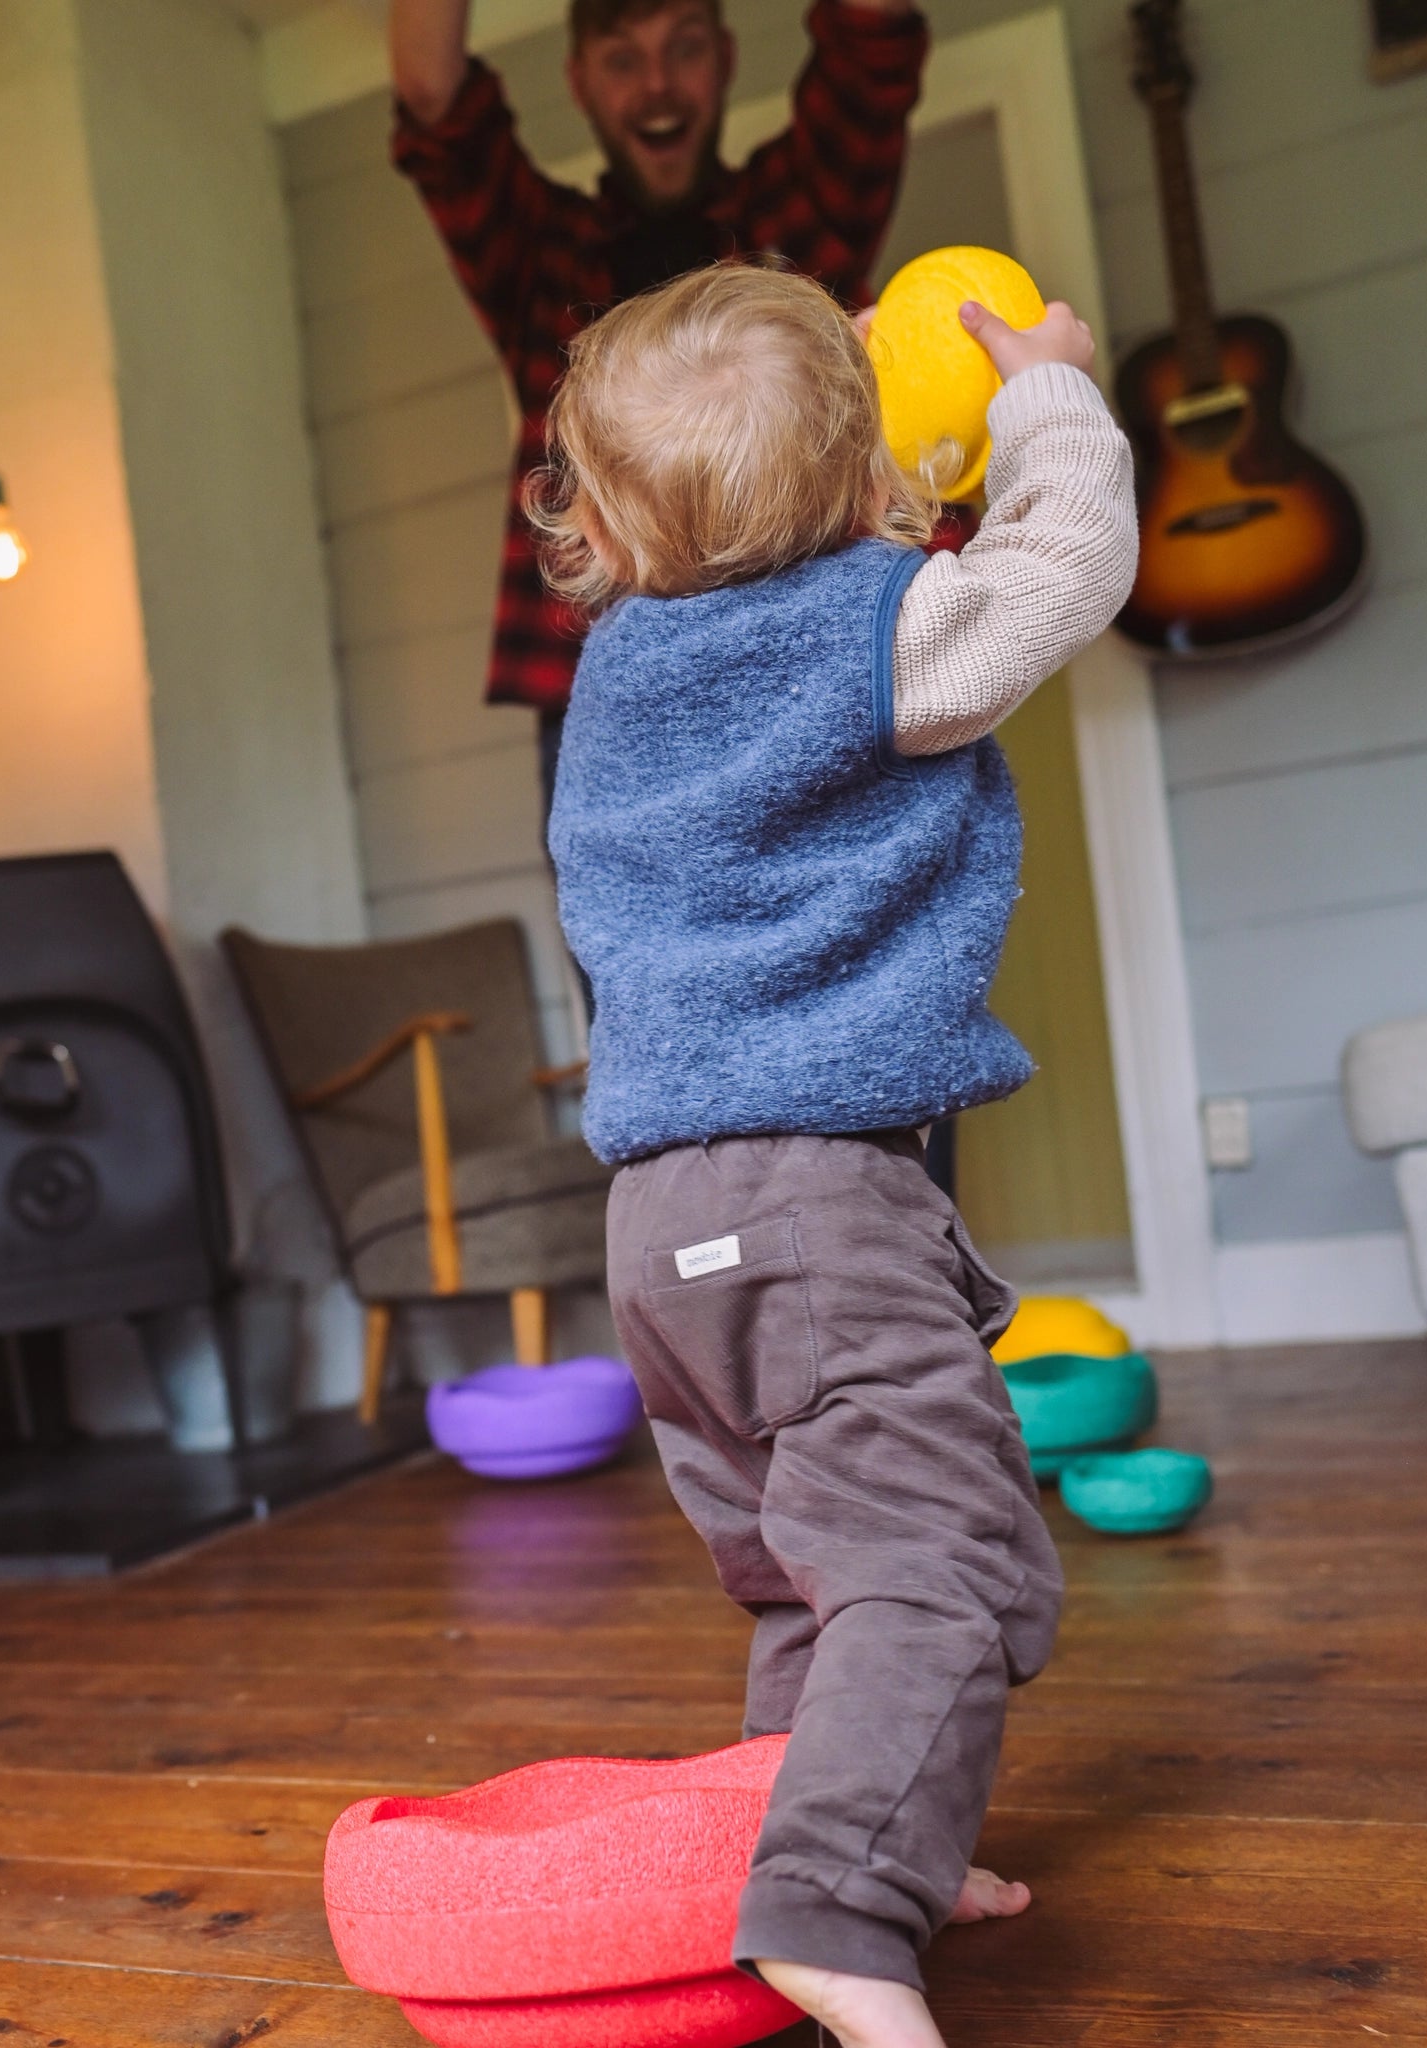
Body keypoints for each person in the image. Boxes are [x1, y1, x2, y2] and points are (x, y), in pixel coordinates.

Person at [530, 264, 1137, 2047]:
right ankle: (837, 1911)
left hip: (653, 1228)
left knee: (816, 1567)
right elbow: (1063, 567)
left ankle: (866, 1832)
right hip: (815, 1202)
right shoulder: (879, 626)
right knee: (945, 1554)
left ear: (606, 519)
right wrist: (1037, 396)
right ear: (874, 472)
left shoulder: (613, 681)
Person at [390, 0, 928, 822]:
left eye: (683, 50)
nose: (657, 87)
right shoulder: (540, 250)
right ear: (578, 83)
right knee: (622, 954)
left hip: (817, 661)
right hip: (601, 697)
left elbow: (872, 44)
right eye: (621, 59)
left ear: (725, 57)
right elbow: (433, 98)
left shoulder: (798, 219)